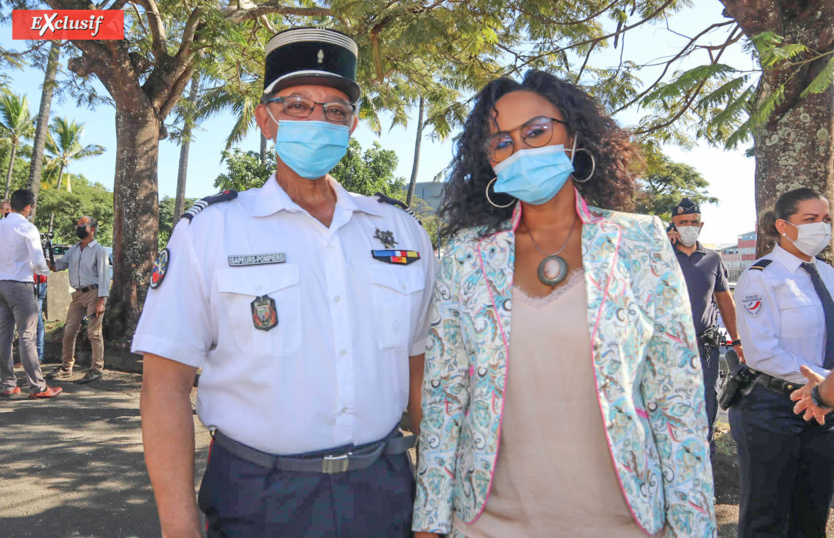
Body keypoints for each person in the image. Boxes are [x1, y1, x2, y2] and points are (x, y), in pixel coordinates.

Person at [132, 28, 437, 537]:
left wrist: (438, 498)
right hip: (258, 495)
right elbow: (163, 385)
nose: (318, 120)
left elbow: (422, 379)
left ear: (353, 125)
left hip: (383, 492)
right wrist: (179, 527)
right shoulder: (211, 229)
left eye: (335, 110)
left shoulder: (401, 231)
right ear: (265, 119)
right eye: (297, 105)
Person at [413, 70, 715, 538]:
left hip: (623, 521)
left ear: (573, 135)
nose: (522, 150)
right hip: (489, 524)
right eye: (501, 143)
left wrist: (694, 528)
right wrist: (429, 524)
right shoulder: (465, 258)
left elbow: (677, 399)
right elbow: (445, 399)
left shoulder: (639, 242)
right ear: (488, 162)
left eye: (536, 131)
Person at [731, 187, 834, 537]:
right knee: (766, 516)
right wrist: (828, 382)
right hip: (773, 408)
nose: (822, 227)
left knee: (813, 513)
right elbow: (762, 351)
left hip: (823, 410)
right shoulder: (762, 277)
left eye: (826, 219)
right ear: (784, 226)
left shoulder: (828, 274)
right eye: (811, 220)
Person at [667, 198, 742, 450]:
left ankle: (705, 470)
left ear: (701, 225)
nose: (689, 226)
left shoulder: (713, 259)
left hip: (705, 349)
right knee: (669, 409)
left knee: (706, 409)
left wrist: (738, 339)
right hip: (668, 347)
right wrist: (659, 248)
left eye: (693, 222)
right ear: (672, 225)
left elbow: (724, 300)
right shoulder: (660, 255)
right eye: (682, 222)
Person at [0, 189, 62, 399]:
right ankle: (37, 387)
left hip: (1, 285)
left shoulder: (1, 225)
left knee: (3, 336)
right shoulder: (27, 228)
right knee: (27, 336)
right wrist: (45, 270)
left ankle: (8, 384)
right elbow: (37, 261)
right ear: (28, 207)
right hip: (21, 285)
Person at [45, 216, 110, 384]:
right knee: (69, 330)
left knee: (93, 332)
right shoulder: (74, 249)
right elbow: (59, 266)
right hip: (77, 296)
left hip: (94, 295)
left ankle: (96, 369)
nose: (79, 227)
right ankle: (66, 367)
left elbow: (104, 277)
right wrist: (49, 263)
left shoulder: (99, 250)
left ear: (93, 229)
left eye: (83, 225)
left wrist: (101, 301)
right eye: (78, 224)